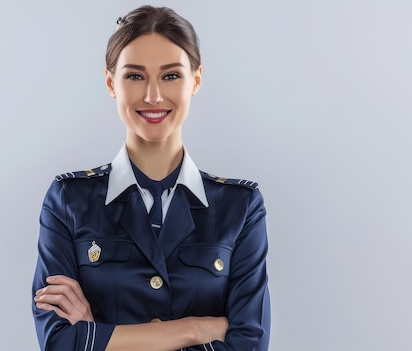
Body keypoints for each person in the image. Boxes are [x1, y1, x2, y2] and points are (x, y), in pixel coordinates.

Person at [31, 5, 270, 351]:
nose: (153, 96)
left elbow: (250, 345)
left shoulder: (240, 207)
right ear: (111, 83)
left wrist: (97, 335)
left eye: (171, 75)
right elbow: (57, 343)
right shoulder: (68, 201)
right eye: (135, 76)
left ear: (196, 80)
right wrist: (193, 329)